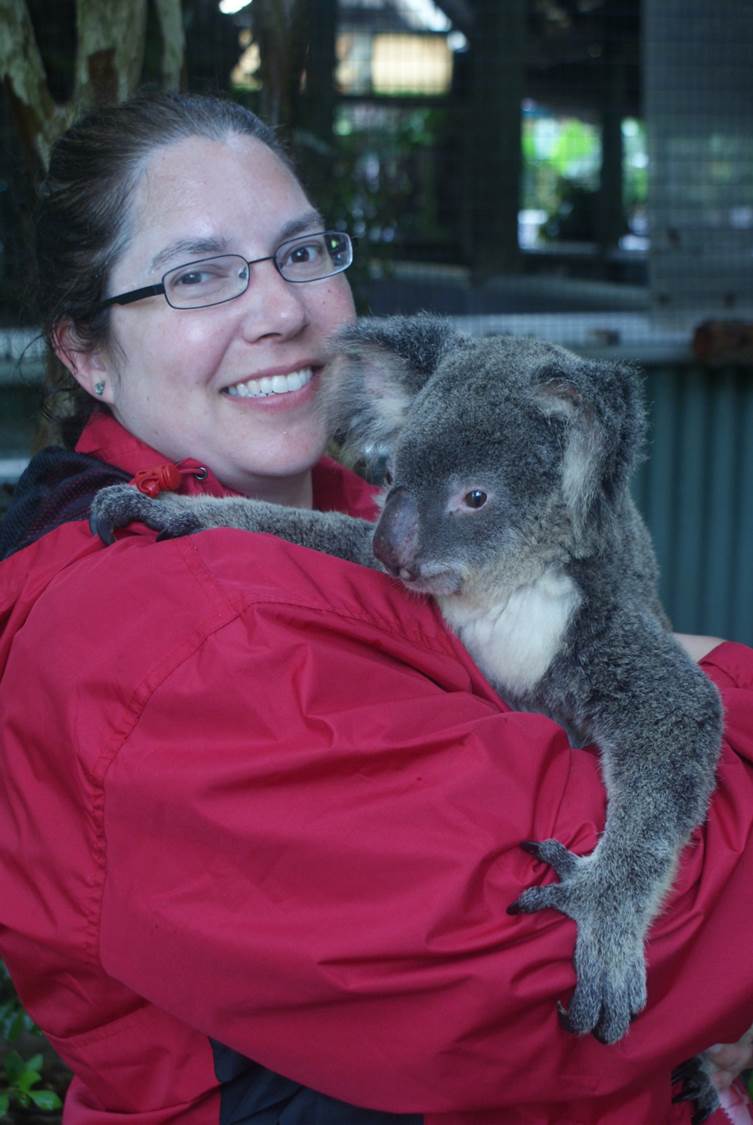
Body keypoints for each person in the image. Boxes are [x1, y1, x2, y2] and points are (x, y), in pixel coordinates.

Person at [0, 90, 752, 1125]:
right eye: (197, 275)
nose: (280, 309)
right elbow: (564, 967)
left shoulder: (361, 513)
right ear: (85, 353)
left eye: (302, 252)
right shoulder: (179, 644)